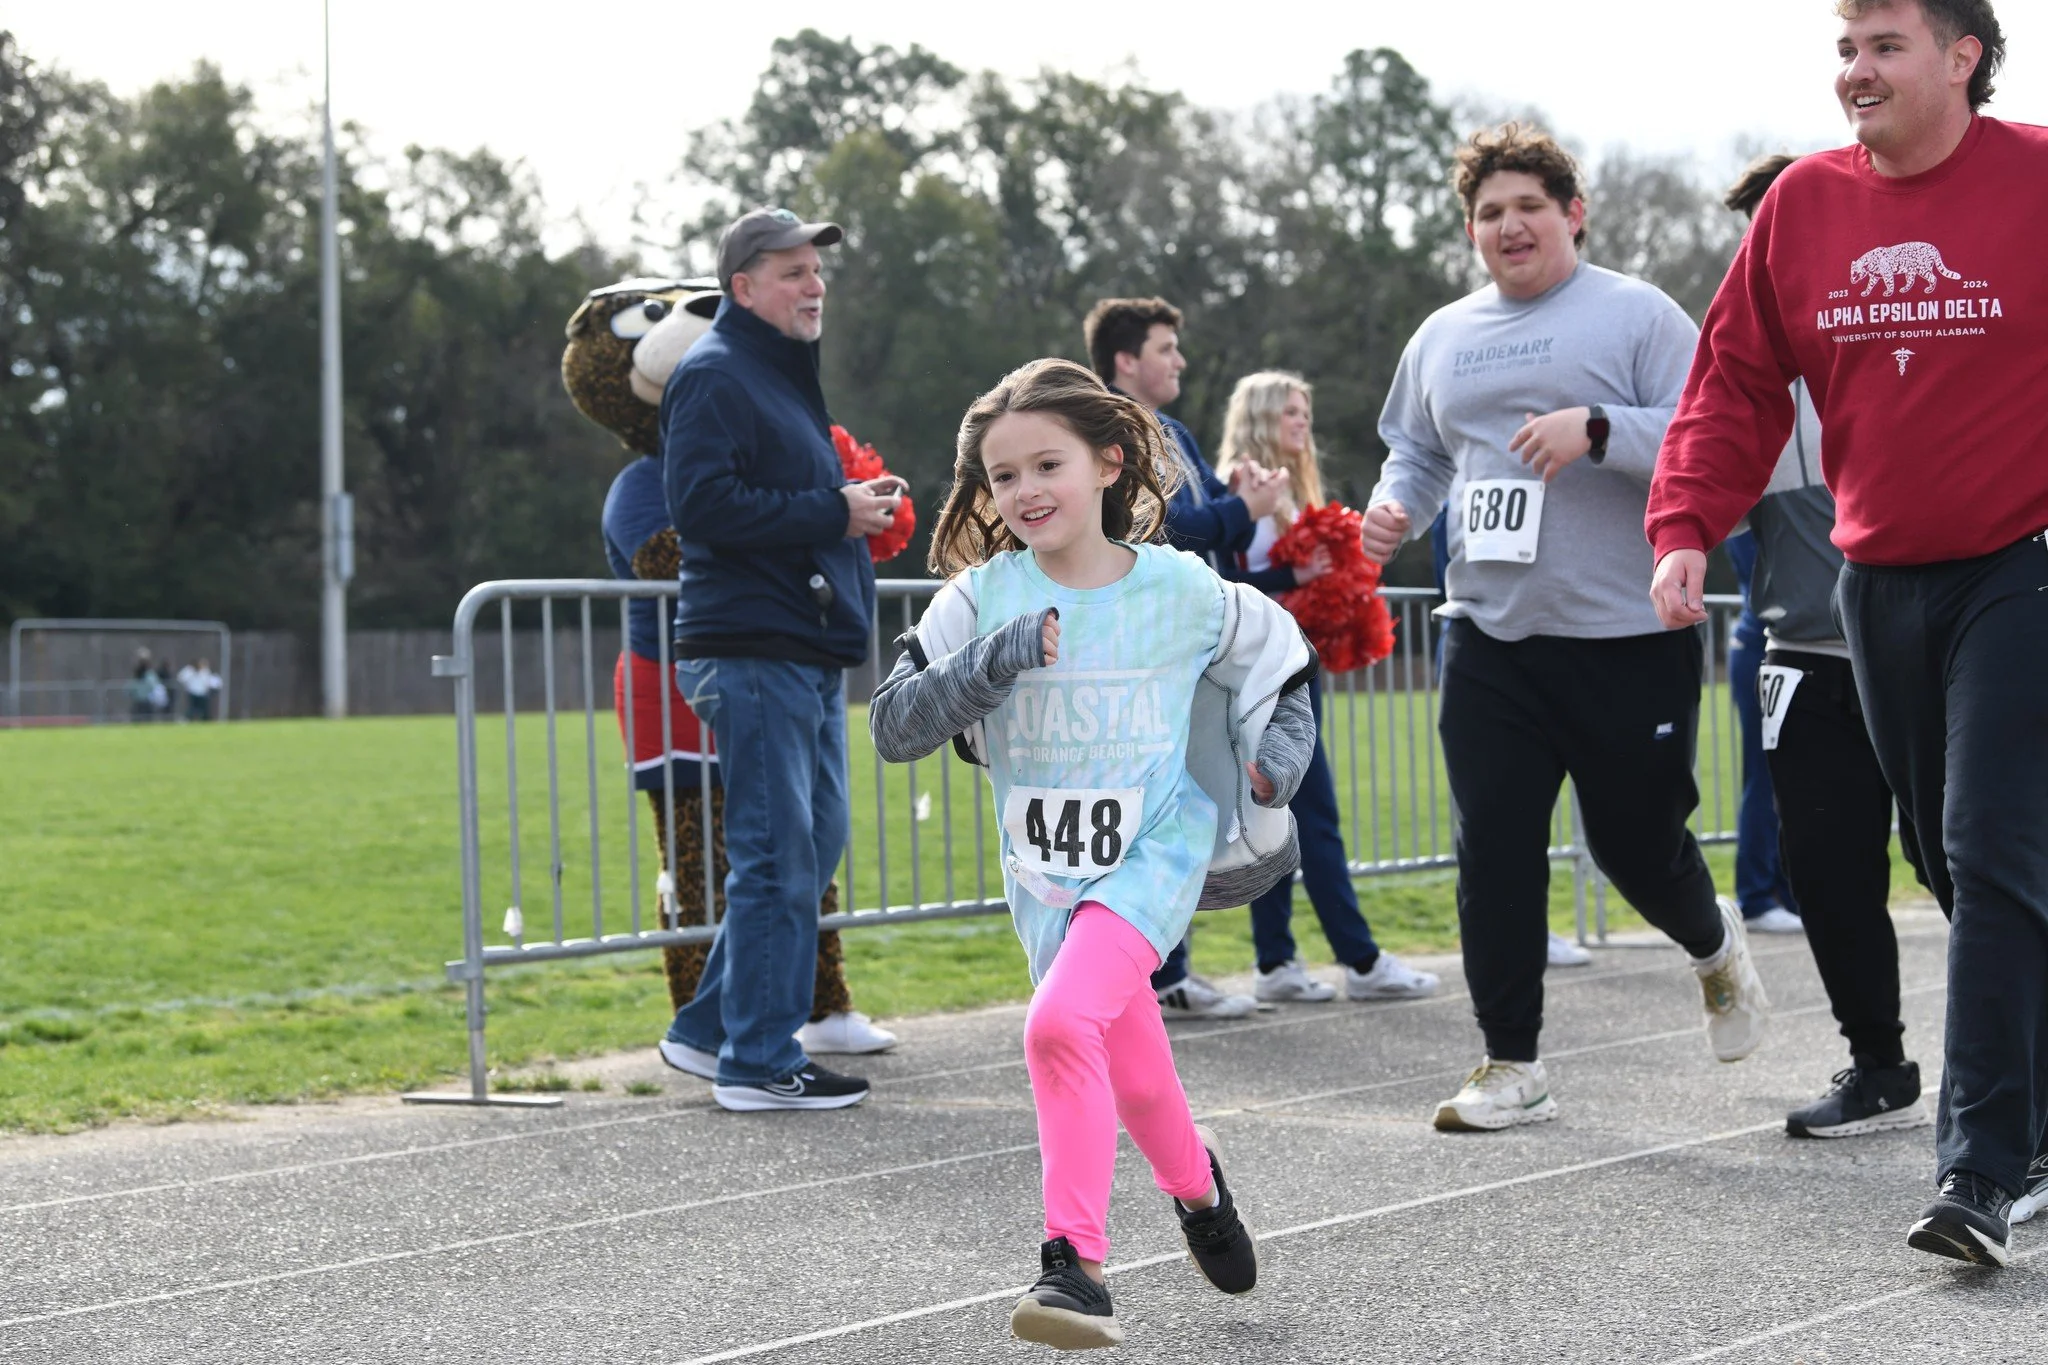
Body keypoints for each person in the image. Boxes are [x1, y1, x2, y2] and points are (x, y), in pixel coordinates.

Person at [1647, 0, 2048, 1264]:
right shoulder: (1801, 209)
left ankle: (1977, 1173)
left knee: (1988, 849)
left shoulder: (2036, 180)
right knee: (1949, 861)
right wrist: (1682, 525)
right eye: (1842, 50)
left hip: (2024, 562)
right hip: (1876, 581)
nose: (1853, 73)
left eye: (1881, 47)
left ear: (1961, 59)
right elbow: (1733, 381)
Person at [871, 358, 1305, 1349]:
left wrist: (1272, 771)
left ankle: (1073, 1265)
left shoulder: (1182, 589)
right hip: (1042, 874)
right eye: (1001, 476)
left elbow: (1280, 667)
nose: (1024, 492)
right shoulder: (977, 600)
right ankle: (1198, 1193)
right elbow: (893, 725)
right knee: (1133, 1069)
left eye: (1046, 465)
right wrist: (995, 658)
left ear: (1108, 461)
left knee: (1057, 1027)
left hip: (1152, 852)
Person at [1365, 121, 1770, 1134]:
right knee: (1491, 848)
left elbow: (1709, 434)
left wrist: (1596, 429)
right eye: (1488, 213)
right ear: (1470, 230)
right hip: (1487, 636)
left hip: (1622, 635)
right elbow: (1414, 455)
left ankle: (1711, 942)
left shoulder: (1633, 315)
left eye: (1527, 207)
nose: (1508, 227)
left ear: (1571, 214)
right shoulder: (1442, 336)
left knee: (1634, 846)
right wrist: (1390, 512)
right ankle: (1510, 1062)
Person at [570, 277, 895, 1059]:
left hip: (774, 660)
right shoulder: (641, 485)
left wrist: (833, 508)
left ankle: (786, 1004)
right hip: (685, 681)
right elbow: (674, 556)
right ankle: (712, 1022)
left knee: (799, 849)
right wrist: (815, 517)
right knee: (706, 865)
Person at [656, 206, 899, 1112]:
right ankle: (758, 1062)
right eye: (792, 271)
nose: (814, 284)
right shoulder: (716, 374)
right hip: (751, 649)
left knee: (813, 841)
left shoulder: (771, 373)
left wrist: (845, 506)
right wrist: (832, 513)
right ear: (742, 287)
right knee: (778, 856)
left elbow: (772, 496)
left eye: (817, 269)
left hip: (795, 646)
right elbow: (706, 507)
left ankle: (709, 1026)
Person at [1714, 151, 1928, 1142]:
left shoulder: (1903, 328)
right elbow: (1675, 460)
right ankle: (1877, 1065)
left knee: (1965, 867)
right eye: (1754, 232)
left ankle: (2024, 1083)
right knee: (1827, 872)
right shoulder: (1739, 366)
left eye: (1780, 224)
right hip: (1800, 658)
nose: (1767, 246)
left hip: (1929, 654)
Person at [1080, 296, 1285, 1021]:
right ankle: (1149, 973)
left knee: (1183, 808)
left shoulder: (1176, 430)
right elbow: (1154, 525)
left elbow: (1215, 529)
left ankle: (1166, 970)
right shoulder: (1104, 431)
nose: (1179, 361)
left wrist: (1260, 516)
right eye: (1166, 348)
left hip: (1190, 643)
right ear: (1126, 361)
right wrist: (1243, 509)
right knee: (1148, 810)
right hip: (1138, 644)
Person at [1212, 371, 1440, 1004]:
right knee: (1315, 817)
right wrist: (1298, 575)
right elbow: (1228, 587)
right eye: (1290, 412)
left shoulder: (1288, 486)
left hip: (1290, 673)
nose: (1301, 423)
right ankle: (1360, 960)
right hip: (1259, 680)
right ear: (1259, 416)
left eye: (1306, 411)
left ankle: (1276, 960)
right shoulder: (1240, 485)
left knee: (1278, 814)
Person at [1428, 505, 1592, 969]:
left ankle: (1526, 926)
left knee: (1522, 818)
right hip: (1485, 646)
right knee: (1495, 822)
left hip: (1542, 645)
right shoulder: (1460, 491)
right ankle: (1515, 932)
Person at [1724, 531, 1804, 933]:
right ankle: (1756, 895)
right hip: (1763, 646)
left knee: (1789, 776)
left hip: (1771, 644)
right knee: (1765, 775)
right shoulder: (1760, 499)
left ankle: (1787, 892)